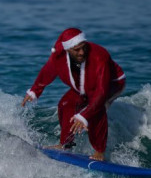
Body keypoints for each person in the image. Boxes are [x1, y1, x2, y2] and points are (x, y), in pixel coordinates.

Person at [21, 28, 125, 161]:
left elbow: (101, 92)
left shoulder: (99, 56)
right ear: (68, 49)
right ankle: (66, 145)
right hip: (85, 85)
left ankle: (100, 151)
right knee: (65, 104)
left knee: (96, 110)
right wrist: (35, 90)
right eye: (77, 50)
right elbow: (48, 70)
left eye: (83, 47)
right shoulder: (59, 55)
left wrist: (85, 115)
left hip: (112, 83)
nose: (82, 52)